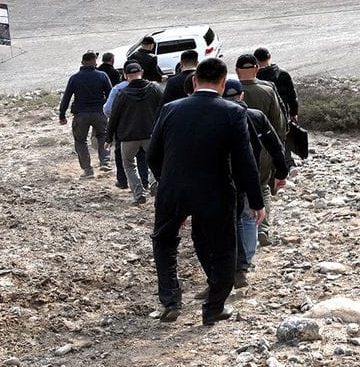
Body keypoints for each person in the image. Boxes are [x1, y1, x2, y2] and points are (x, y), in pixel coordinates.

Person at [148, 58, 263, 325]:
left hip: (173, 189)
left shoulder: (170, 109)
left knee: (164, 242)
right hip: (215, 190)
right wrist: (255, 200)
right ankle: (213, 308)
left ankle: (171, 300)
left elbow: (153, 155)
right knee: (223, 248)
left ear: (195, 80)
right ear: (223, 83)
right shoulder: (233, 112)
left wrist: (167, 181)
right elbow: (245, 161)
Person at [224, 75, 291, 285]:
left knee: (231, 220)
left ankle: (234, 264)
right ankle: (246, 262)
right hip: (254, 173)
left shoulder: (216, 117)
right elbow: (276, 146)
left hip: (225, 178)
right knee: (249, 216)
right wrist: (281, 172)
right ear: (242, 95)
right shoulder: (256, 116)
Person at [107, 61, 164, 203]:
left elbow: (114, 116)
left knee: (129, 164)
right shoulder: (154, 88)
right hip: (151, 134)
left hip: (128, 136)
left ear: (126, 76)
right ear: (142, 73)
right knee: (155, 161)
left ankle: (139, 194)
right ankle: (154, 182)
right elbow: (164, 109)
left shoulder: (122, 93)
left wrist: (108, 137)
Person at [58, 52, 113, 177]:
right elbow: (111, 95)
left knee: (80, 141)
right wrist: (112, 112)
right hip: (99, 112)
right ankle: (105, 161)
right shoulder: (102, 75)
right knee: (103, 136)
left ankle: (88, 170)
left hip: (81, 114)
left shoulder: (75, 78)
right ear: (95, 62)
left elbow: (66, 97)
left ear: (82, 62)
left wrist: (62, 115)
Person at [253, 47, 299, 122]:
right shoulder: (283, 74)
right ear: (269, 56)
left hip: (261, 116)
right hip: (281, 114)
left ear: (255, 60)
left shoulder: (254, 77)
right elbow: (292, 97)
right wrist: (294, 113)